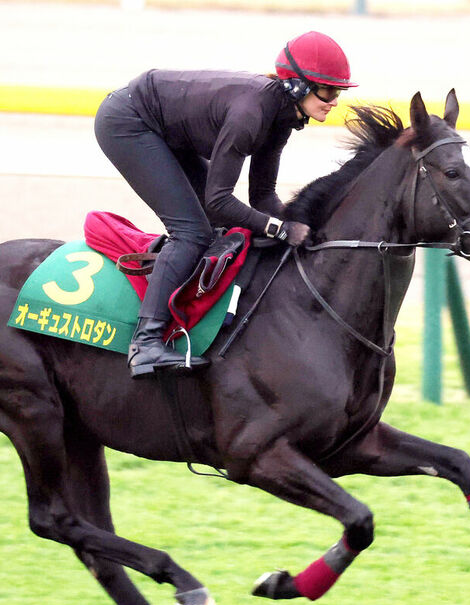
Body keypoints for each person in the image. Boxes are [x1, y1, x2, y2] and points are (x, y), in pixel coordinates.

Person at [94, 31, 357, 378]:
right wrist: (278, 228)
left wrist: (304, 228)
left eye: (338, 92)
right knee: (192, 232)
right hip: (129, 122)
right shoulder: (251, 116)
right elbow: (219, 201)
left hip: (167, 127)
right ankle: (145, 344)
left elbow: (262, 196)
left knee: (219, 231)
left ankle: (194, 320)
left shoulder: (282, 118)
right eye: (329, 90)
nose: (334, 100)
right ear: (298, 86)